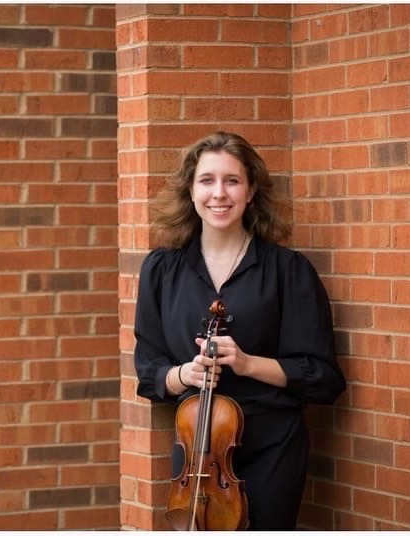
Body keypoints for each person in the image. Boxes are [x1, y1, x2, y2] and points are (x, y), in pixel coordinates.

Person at [133, 131, 346, 530]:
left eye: (232, 180)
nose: (219, 194)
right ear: (191, 191)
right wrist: (184, 375)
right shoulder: (161, 270)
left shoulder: (287, 271)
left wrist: (249, 364)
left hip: (272, 447)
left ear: (250, 192)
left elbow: (323, 377)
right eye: (207, 180)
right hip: (197, 450)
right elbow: (149, 369)